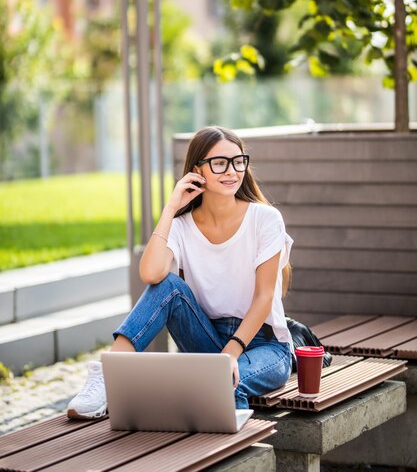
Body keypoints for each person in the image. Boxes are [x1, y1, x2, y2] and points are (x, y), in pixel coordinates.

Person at [67, 125, 293, 419]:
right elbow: (151, 274)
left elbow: (264, 297)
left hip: (262, 344)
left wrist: (230, 355)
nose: (232, 171)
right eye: (219, 163)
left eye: (238, 161)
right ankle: (108, 375)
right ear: (197, 170)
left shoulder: (264, 219)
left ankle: (230, 458)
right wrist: (170, 209)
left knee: (223, 383)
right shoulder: (183, 225)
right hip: (207, 336)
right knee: (168, 286)